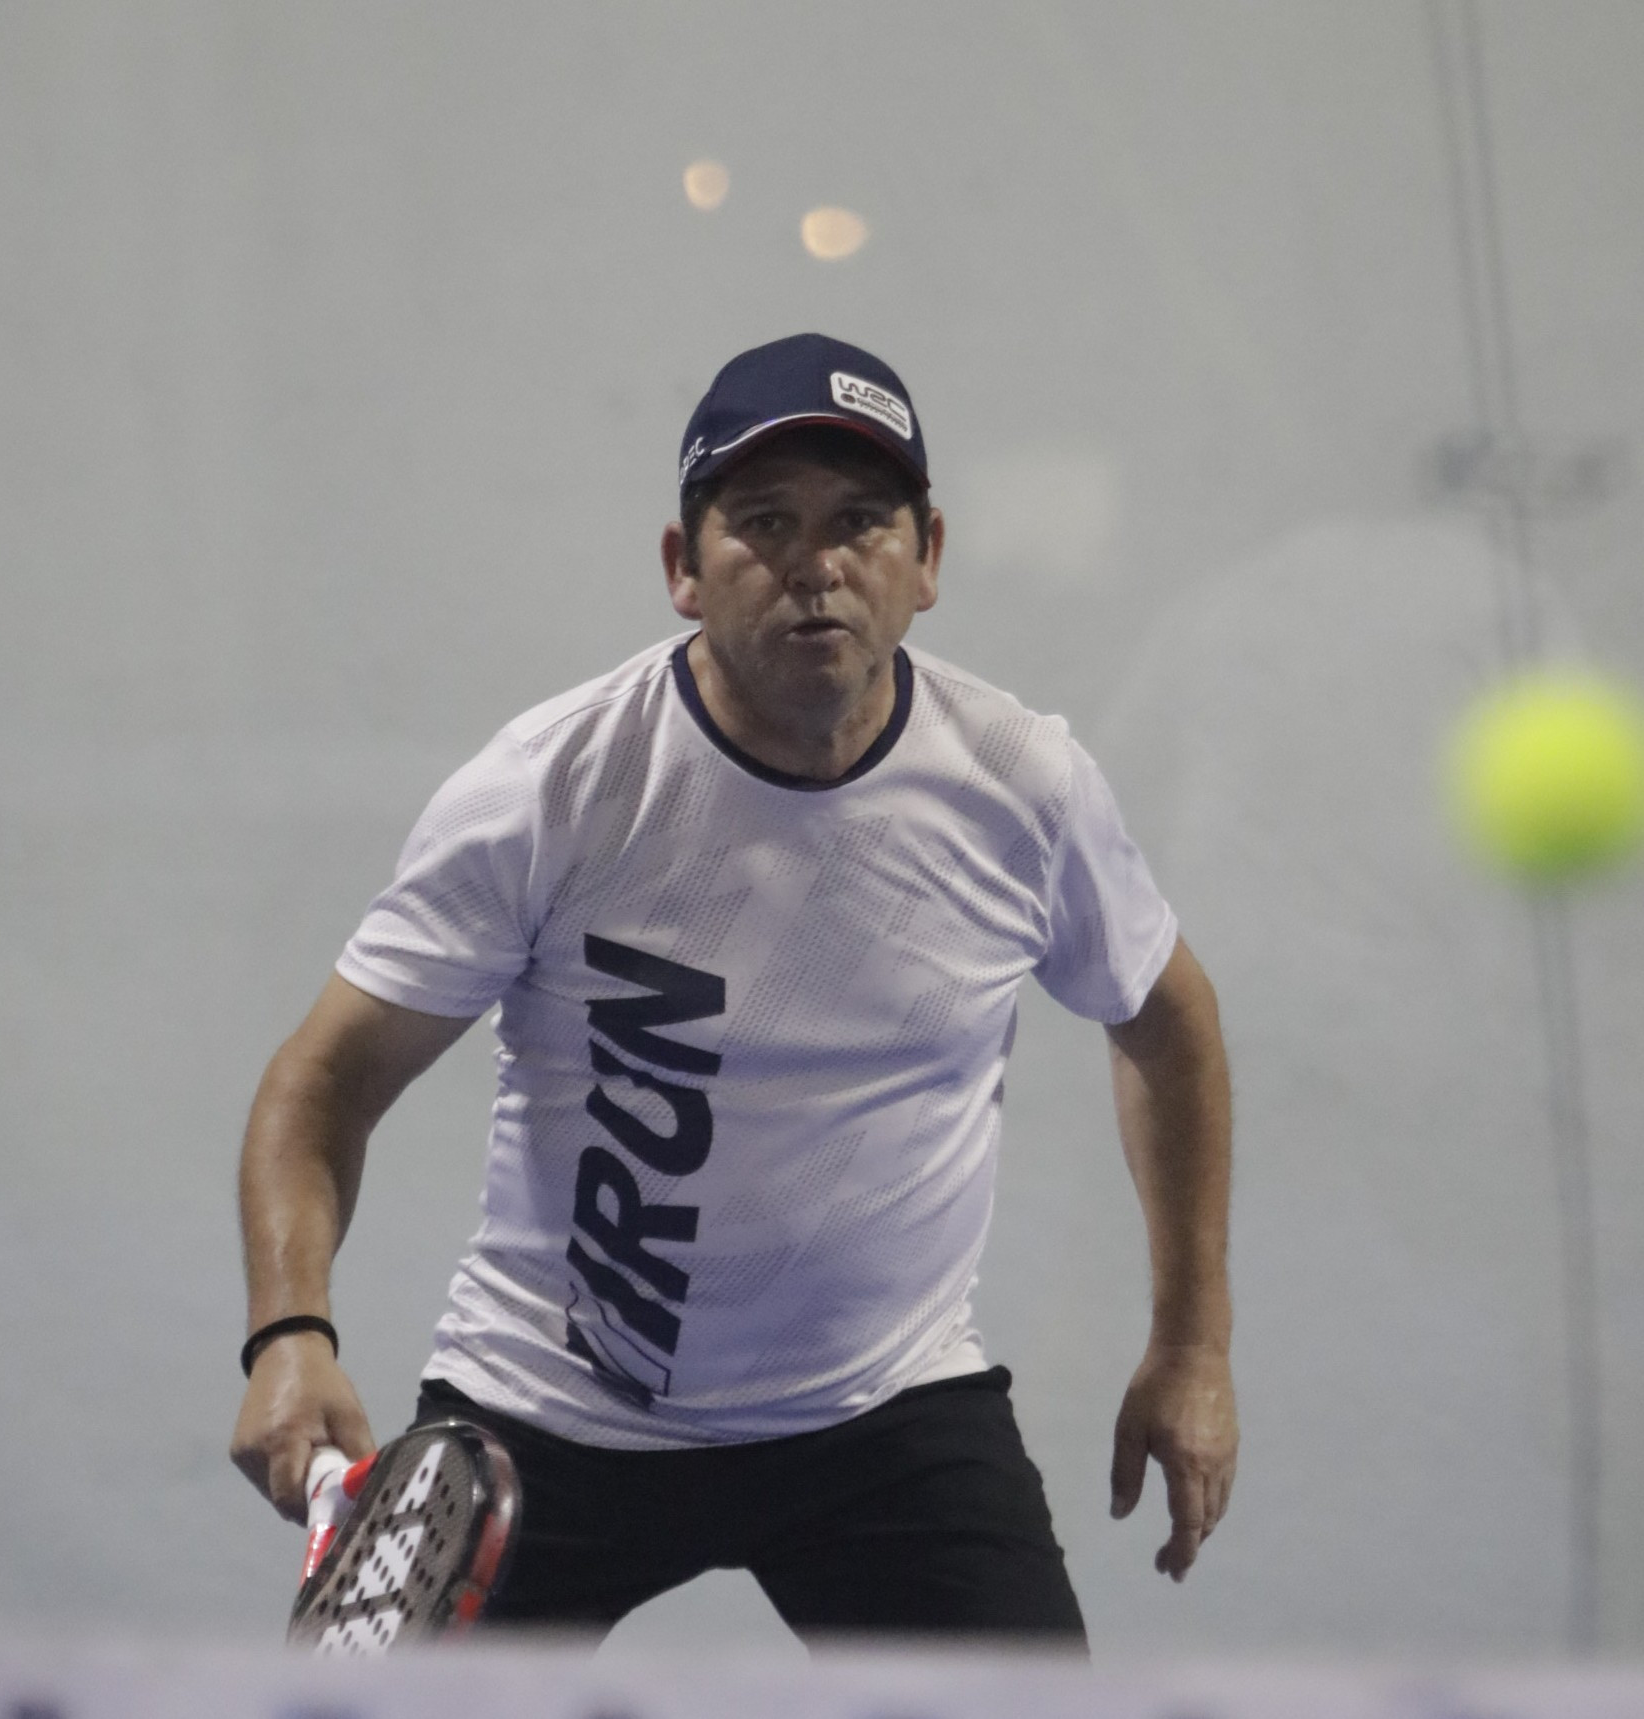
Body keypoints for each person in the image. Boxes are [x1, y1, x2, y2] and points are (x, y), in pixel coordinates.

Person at [230, 332, 1237, 1644]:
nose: (817, 564)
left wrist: (1192, 1347)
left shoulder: (1025, 789)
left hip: (883, 1419)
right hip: (545, 1423)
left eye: (860, 521)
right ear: (682, 569)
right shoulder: (549, 789)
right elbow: (324, 1081)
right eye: (763, 523)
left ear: (928, 558)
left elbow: (1168, 1022)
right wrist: (288, 1335)